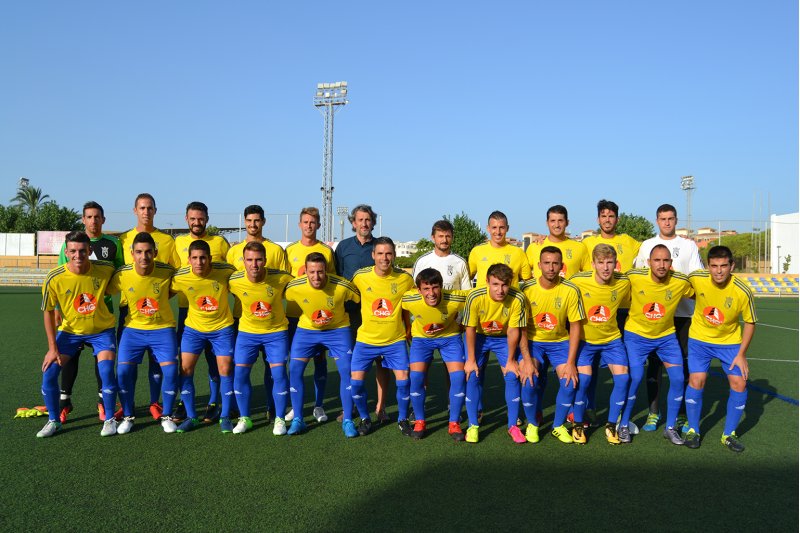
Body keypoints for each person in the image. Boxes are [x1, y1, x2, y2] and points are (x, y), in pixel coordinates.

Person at [36, 231, 118, 438]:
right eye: (73, 251)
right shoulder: (54, 277)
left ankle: (109, 419)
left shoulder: (106, 268)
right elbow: (47, 312)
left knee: (106, 370)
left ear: (90, 251)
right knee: (49, 373)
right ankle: (54, 420)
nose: (78, 255)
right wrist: (52, 348)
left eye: (82, 251)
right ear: (66, 252)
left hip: (102, 331)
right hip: (70, 332)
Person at [634, 204, 703, 432]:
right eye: (662, 219)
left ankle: (681, 414)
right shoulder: (647, 245)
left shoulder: (688, 245)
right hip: (654, 315)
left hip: (683, 314)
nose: (666, 222)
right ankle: (654, 412)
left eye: (670, 218)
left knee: (682, 365)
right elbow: (639, 276)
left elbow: (696, 277)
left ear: (676, 220)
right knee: (654, 365)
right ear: (657, 221)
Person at [56, 201, 124, 424]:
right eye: (89, 217)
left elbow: (120, 274)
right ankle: (64, 402)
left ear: (103, 219)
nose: (93, 221)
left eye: (97, 217)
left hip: (102, 313)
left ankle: (102, 402)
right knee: (70, 357)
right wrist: (57, 308)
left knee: (102, 360)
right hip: (73, 314)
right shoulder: (70, 244)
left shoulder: (113, 243)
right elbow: (60, 277)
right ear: (83, 219)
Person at [684, 246, 756, 452]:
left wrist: (741, 354)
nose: (718, 271)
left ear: (731, 266)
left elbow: (750, 322)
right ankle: (693, 430)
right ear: (708, 266)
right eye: (714, 266)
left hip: (730, 343)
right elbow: (682, 287)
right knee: (697, 380)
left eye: (723, 266)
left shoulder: (742, 290)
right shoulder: (697, 278)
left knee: (740, 383)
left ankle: (729, 434)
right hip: (699, 340)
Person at [620, 244, 693, 445]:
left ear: (671, 263)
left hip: (666, 338)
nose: (661, 265)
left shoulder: (680, 281)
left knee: (678, 379)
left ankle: (670, 428)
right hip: (636, 336)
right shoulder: (634, 276)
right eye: (657, 260)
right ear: (648, 262)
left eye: (665, 260)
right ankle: (623, 424)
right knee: (635, 377)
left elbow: (702, 292)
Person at [108, 232, 179, 434]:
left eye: (148, 252)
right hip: (133, 330)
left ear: (155, 252)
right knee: (123, 372)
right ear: (132, 254)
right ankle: (128, 416)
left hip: (162, 329)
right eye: (139, 252)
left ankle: (166, 415)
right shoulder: (122, 274)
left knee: (171, 371)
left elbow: (176, 287)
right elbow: (103, 291)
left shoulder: (167, 271)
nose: (144, 256)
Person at [118, 193, 181, 422]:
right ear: (135, 210)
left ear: (155, 210)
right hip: (129, 311)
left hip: (157, 314)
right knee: (128, 364)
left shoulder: (166, 240)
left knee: (158, 363)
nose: (146, 211)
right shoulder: (123, 239)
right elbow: (117, 274)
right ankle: (128, 406)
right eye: (142, 208)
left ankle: (155, 403)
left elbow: (175, 275)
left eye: (149, 208)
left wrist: (161, 297)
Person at [284, 253, 361, 438]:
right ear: (305, 271)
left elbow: (360, 299)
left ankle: (348, 419)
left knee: (347, 371)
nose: (316, 277)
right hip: (307, 331)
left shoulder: (342, 285)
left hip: (337, 330)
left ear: (326, 270)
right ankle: (298, 419)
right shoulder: (294, 286)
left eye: (320, 272)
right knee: (294, 369)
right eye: (312, 272)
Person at [578, 199, 640, 425]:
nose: (607, 220)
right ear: (598, 219)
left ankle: (621, 414)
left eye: (611, 216)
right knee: (590, 366)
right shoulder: (587, 243)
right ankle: (588, 407)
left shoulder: (630, 242)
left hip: (622, 311)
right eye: (603, 216)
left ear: (617, 219)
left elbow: (651, 253)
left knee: (624, 367)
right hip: (593, 310)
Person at [226, 204, 290, 423]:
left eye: (257, 220)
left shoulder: (275, 250)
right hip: (241, 318)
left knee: (273, 368)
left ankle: (273, 408)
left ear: (263, 222)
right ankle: (238, 409)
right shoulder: (233, 251)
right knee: (237, 366)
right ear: (244, 222)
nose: (253, 224)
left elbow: (284, 283)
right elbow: (227, 282)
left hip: (272, 321)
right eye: (249, 220)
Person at [349, 237, 415, 437]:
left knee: (404, 381)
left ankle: (402, 419)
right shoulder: (360, 276)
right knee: (356, 383)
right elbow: (346, 295)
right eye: (380, 253)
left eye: (388, 254)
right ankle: (365, 418)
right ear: (373, 255)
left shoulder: (405, 279)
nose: (384, 258)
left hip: (395, 341)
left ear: (394, 255)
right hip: (366, 340)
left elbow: (409, 306)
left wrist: (409, 328)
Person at [462, 263, 534, 444]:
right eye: (495, 284)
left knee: (512, 375)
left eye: (504, 285)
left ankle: (513, 426)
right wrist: (470, 359)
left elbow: (513, 330)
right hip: (479, 337)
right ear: (487, 281)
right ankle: (473, 425)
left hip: (503, 338)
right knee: (472, 374)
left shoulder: (518, 297)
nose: (500, 290)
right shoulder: (475, 296)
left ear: (510, 283)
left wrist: (511, 360)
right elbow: (470, 329)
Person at [520, 247, 585, 444]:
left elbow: (575, 326)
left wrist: (571, 362)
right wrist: (526, 360)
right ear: (539, 265)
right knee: (528, 379)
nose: (551, 267)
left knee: (570, 381)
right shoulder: (526, 289)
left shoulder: (571, 289)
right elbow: (520, 328)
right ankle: (533, 424)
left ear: (561, 266)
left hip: (559, 343)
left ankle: (557, 426)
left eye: (555, 263)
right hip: (533, 343)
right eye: (546, 263)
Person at [170, 240, 236, 433]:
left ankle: (225, 415)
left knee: (225, 369)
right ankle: (191, 416)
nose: (199, 262)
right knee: (185, 369)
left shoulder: (226, 271)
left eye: (203, 258)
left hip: (222, 329)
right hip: (193, 330)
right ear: (189, 259)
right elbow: (163, 291)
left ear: (210, 258)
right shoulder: (180, 276)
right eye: (195, 258)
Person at [568, 244, 632, 444]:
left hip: (611, 341)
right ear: (593, 264)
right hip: (585, 342)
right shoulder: (577, 281)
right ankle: (578, 424)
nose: (605, 267)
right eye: (601, 262)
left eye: (609, 262)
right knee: (584, 380)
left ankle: (611, 425)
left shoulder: (623, 282)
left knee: (623, 379)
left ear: (616, 263)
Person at [334, 204, 391, 423]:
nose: (364, 224)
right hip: (349, 314)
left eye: (368, 220)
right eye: (360, 220)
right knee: (351, 362)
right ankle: (351, 407)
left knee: (381, 362)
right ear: (353, 223)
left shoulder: (380, 246)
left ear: (373, 222)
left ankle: (381, 407)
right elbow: (338, 277)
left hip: (377, 314)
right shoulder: (343, 247)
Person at [174, 201, 230, 423]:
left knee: (214, 361)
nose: (197, 222)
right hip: (187, 311)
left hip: (217, 314)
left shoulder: (219, 242)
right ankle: (184, 403)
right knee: (185, 363)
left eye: (200, 218)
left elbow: (233, 272)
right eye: (192, 218)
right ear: (186, 219)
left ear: (207, 219)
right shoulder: (178, 242)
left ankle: (214, 402)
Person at [401, 268, 468, 441]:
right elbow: (401, 307)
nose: (431, 293)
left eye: (435, 287)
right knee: (416, 377)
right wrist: (408, 327)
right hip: (422, 339)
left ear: (441, 287)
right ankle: (420, 421)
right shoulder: (409, 298)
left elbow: (477, 299)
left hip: (450, 338)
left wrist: (463, 322)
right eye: (426, 289)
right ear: (418, 290)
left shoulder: (455, 297)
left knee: (459, 377)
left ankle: (454, 423)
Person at [284, 207, 336, 423]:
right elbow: (285, 281)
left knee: (319, 361)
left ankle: (318, 405)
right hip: (294, 315)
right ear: (299, 225)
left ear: (319, 225)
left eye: (312, 222)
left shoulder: (326, 251)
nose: (309, 226)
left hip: (318, 317)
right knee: (295, 363)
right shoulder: (290, 250)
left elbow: (331, 280)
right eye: (305, 222)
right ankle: (295, 406)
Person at [468, 211, 531, 288]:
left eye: (502, 227)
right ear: (488, 228)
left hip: (510, 296)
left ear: (507, 228)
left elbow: (529, 282)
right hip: (483, 296)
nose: (498, 232)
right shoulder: (477, 251)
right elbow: (465, 278)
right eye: (494, 227)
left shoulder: (518, 252)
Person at [526, 205, 590, 280]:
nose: (557, 225)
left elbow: (589, 276)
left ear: (567, 222)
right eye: (553, 221)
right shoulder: (535, 246)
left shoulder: (580, 247)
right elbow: (524, 275)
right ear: (547, 223)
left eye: (560, 221)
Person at [412, 219, 472, 290]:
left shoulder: (460, 262)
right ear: (433, 238)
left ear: (452, 238)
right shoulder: (422, 261)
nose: (444, 240)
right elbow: (415, 290)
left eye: (448, 236)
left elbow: (466, 292)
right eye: (441, 236)